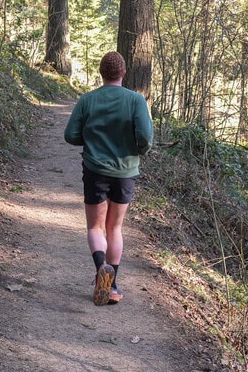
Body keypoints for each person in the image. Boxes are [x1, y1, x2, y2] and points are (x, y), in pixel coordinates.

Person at [64, 51, 154, 306]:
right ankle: (112, 285)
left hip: (95, 170)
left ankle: (100, 267)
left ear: (101, 73)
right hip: (125, 171)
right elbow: (145, 138)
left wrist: (91, 142)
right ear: (123, 72)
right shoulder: (136, 100)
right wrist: (139, 151)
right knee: (114, 228)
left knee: (95, 227)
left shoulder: (88, 100)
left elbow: (70, 135)